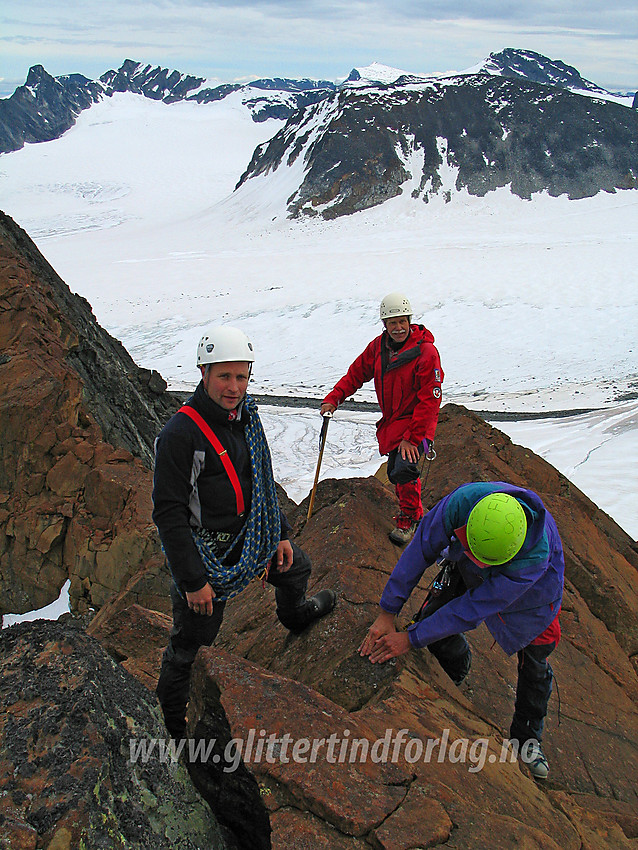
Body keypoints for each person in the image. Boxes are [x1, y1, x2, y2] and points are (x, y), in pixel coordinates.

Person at [153, 326, 336, 740]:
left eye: (242, 376)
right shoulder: (181, 435)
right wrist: (193, 581)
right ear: (203, 372)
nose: (234, 387)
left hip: (250, 538)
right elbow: (169, 514)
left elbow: (259, 478)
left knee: (295, 568)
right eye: (224, 376)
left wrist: (279, 532)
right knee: (192, 644)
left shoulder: (245, 418)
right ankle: (168, 730)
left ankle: (295, 616)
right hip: (208, 555)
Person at [359, 482, 564, 780]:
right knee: (433, 616)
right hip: (469, 554)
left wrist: (411, 638)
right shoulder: (461, 504)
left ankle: (527, 739)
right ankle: (453, 671)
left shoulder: (532, 561)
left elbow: (472, 608)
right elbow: (419, 551)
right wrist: (387, 612)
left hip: (535, 600)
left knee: (535, 662)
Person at [321, 292, 443, 545]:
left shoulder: (426, 352)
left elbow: (429, 400)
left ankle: (410, 519)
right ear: (384, 324)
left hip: (416, 421)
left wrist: (413, 437)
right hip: (394, 421)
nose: (398, 328)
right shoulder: (378, 347)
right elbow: (356, 374)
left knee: (403, 468)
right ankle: (416, 514)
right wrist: (334, 398)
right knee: (397, 469)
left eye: (402, 321)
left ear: (410, 321)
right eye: (392, 322)